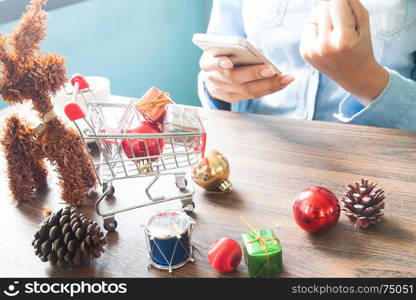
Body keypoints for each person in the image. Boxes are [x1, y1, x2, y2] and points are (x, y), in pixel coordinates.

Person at [197, 0, 416, 130]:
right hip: (258, 160)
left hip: (382, 175)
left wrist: (366, 80)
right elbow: (218, 62)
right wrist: (218, 87)